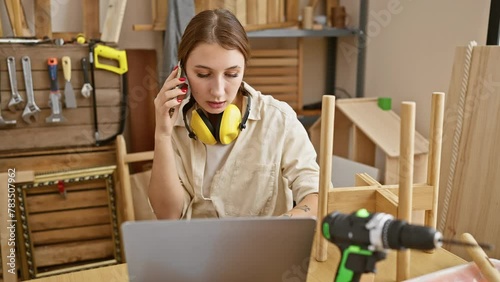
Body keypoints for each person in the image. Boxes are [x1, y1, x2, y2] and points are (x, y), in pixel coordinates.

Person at [149, 8, 320, 219]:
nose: (218, 91)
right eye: (203, 74)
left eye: (231, 74)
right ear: (182, 71)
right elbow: (167, 215)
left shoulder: (279, 120)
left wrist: (279, 227)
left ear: (244, 69)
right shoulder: (173, 123)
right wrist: (162, 135)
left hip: (262, 248)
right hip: (195, 248)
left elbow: (317, 196)